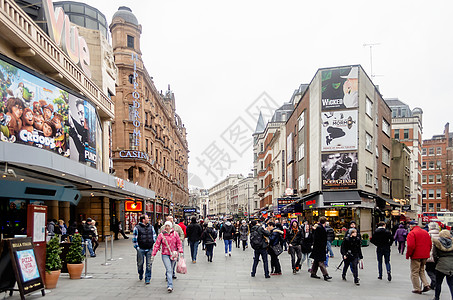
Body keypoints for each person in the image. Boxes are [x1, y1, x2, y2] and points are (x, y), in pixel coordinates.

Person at [151, 221, 183, 293]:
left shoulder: (175, 234)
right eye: (166, 226)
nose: (167, 227)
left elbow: (179, 243)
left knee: (171, 269)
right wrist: (153, 254)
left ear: (171, 227)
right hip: (165, 254)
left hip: (173, 254)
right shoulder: (161, 235)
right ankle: (170, 285)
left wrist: (180, 252)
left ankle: (170, 282)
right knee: (168, 269)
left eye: (168, 226)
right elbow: (157, 245)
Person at [406, 220, 432, 294]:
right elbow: (430, 244)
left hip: (416, 255)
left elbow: (411, 246)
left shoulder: (412, 233)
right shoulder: (425, 232)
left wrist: (408, 255)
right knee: (421, 270)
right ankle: (426, 284)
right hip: (425, 255)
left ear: (411, 226)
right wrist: (427, 253)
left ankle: (417, 288)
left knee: (414, 272)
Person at [132, 215, 156, 284]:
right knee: (140, 264)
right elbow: (134, 238)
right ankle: (140, 273)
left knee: (149, 264)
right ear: (143, 220)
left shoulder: (151, 227)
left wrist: (152, 242)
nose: (148, 219)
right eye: (147, 218)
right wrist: (137, 248)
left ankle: (147, 278)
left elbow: (154, 235)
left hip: (149, 248)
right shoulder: (137, 228)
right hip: (141, 249)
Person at [432, 229, 453, 300]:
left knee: (438, 283)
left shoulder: (437, 243)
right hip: (451, 265)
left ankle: (437, 297)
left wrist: (437, 262)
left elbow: (434, 254)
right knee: (451, 284)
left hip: (440, 265)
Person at [310, 217, 332, 281]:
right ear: (325, 222)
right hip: (319, 248)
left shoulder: (319, 228)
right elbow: (318, 239)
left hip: (318, 247)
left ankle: (313, 273)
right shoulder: (320, 228)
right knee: (321, 262)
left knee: (316, 261)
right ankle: (325, 275)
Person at [426, 222, 440, 289]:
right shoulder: (440, 235)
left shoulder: (428, 235)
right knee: (434, 270)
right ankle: (433, 284)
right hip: (438, 256)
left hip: (430, 255)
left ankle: (434, 281)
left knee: (428, 269)